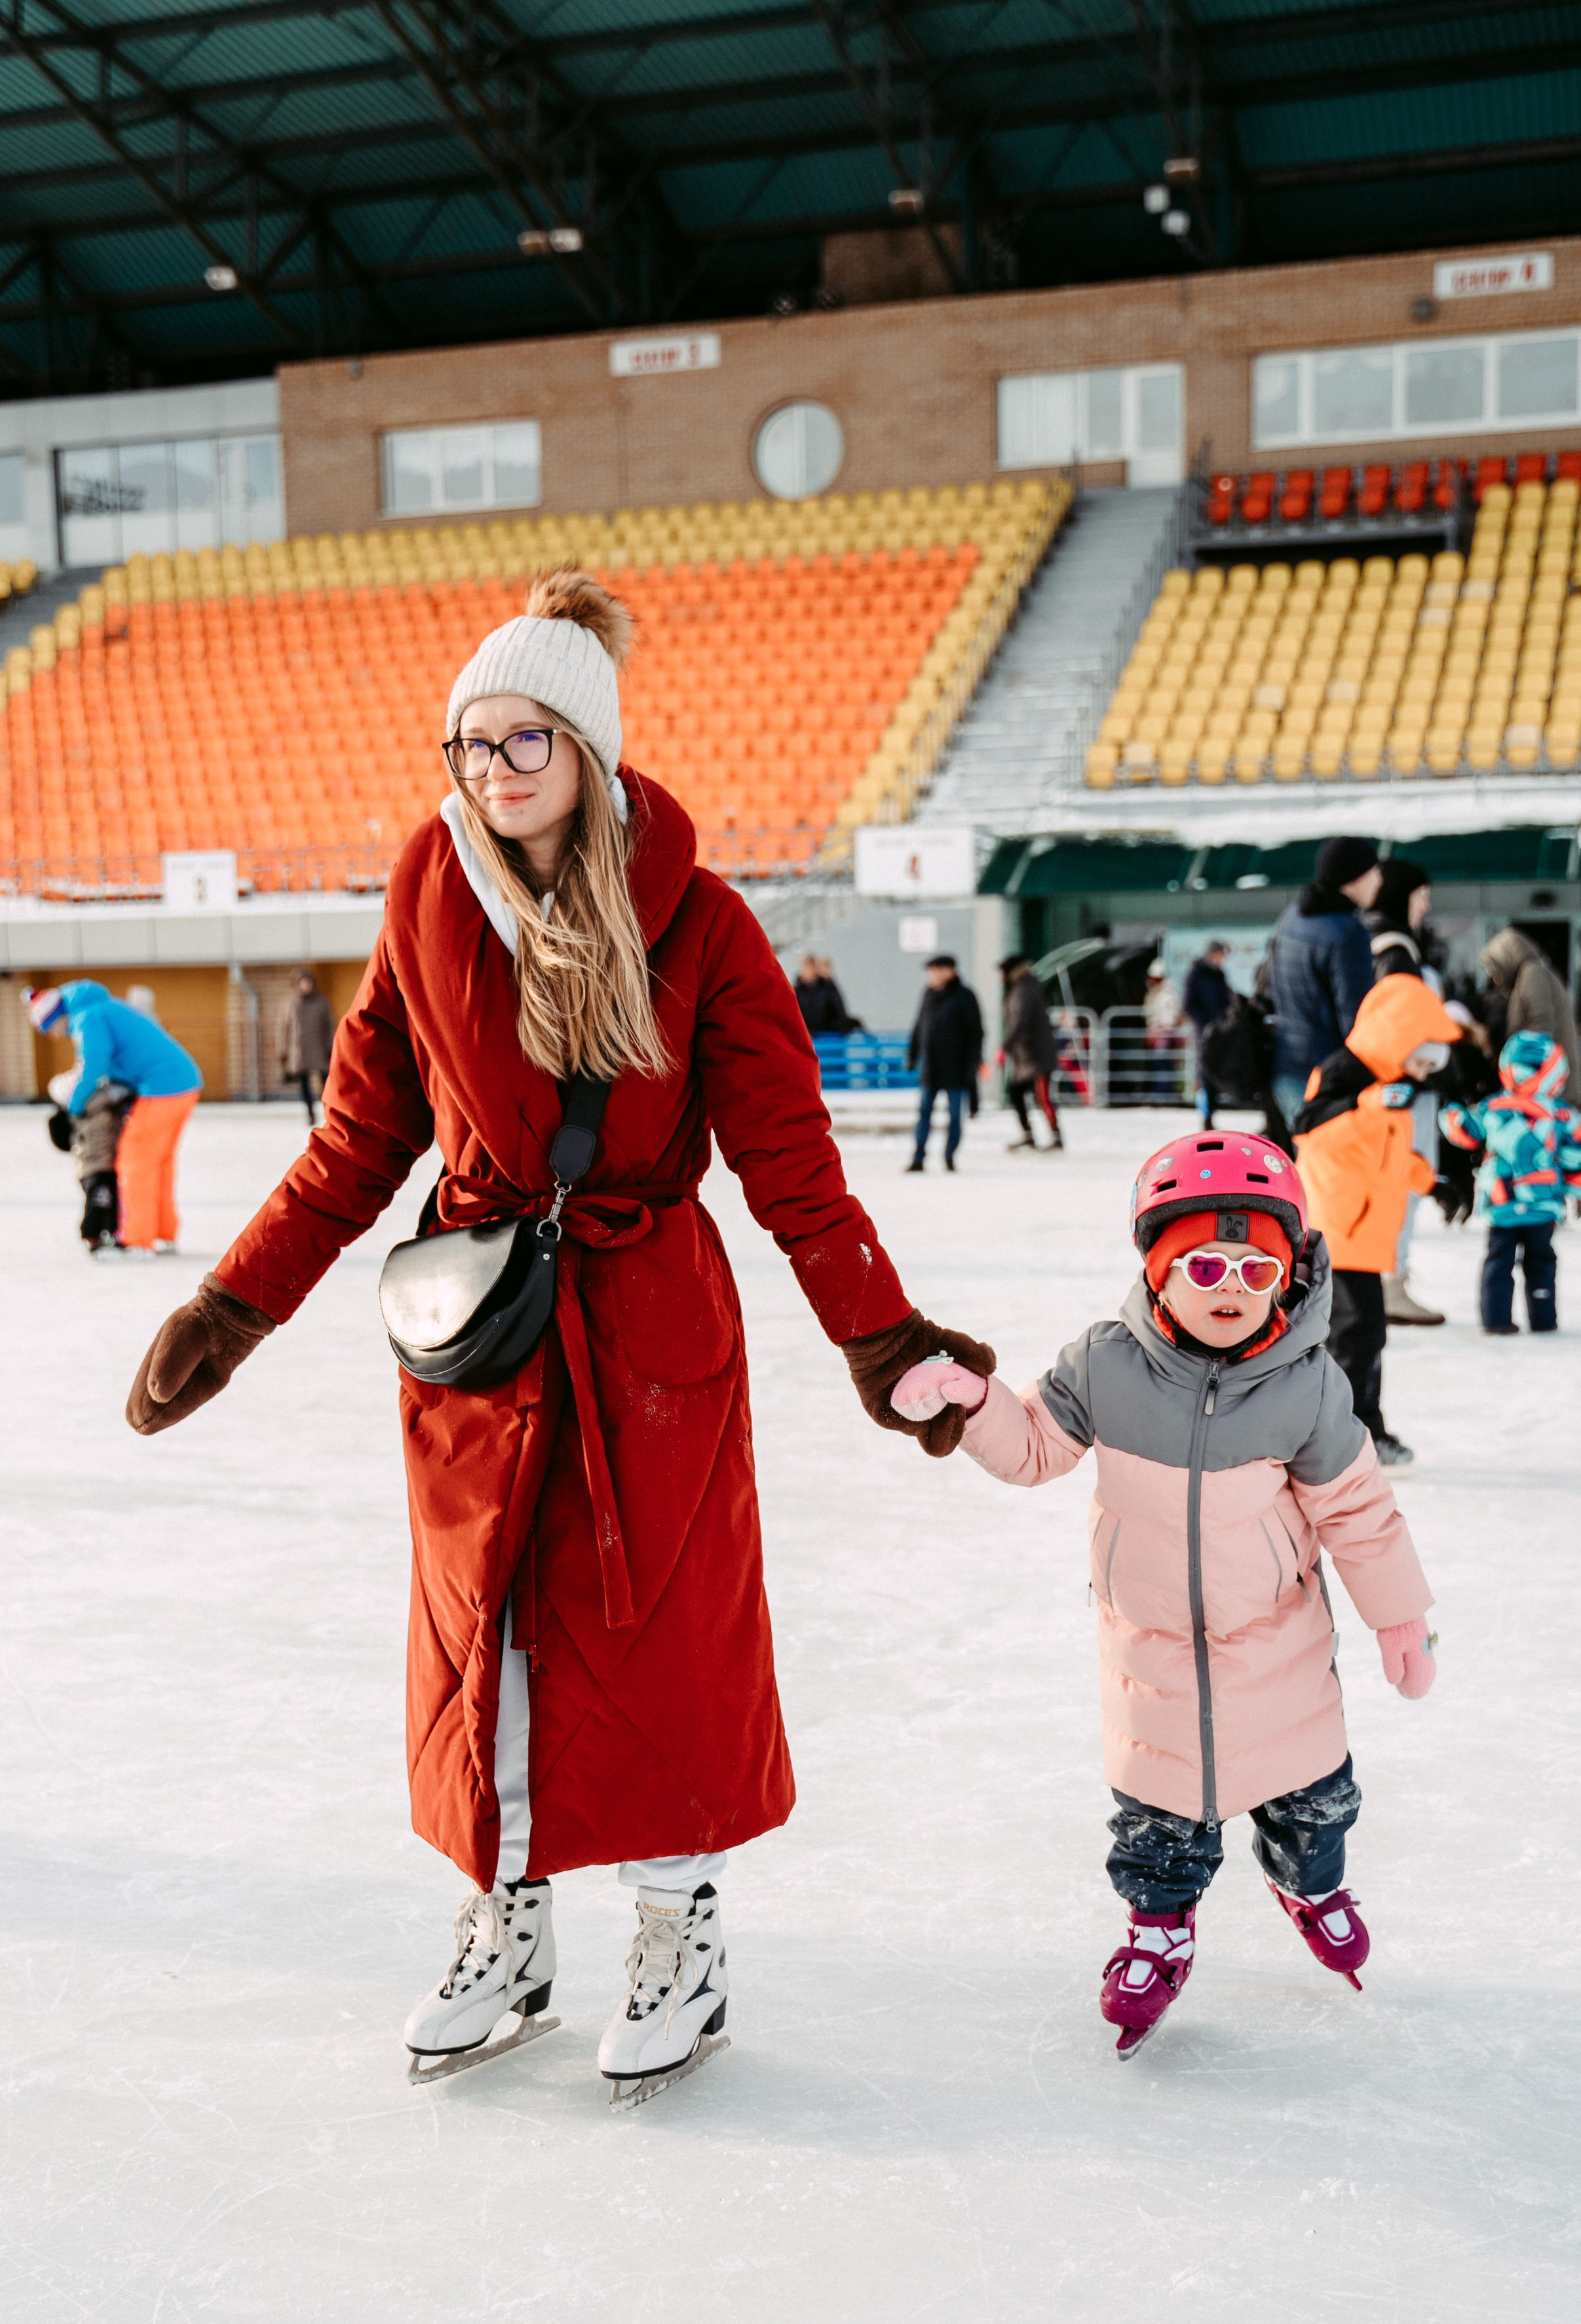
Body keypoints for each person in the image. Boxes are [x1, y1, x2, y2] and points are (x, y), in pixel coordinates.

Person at [121, 568, 990, 2098]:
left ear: (588, 748)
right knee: (485, 1633)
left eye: (529, 740)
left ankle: (676, 1930)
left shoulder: (706, 923)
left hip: (650, 1329)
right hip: (476, 1328)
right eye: (471, 742)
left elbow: (791, 1162)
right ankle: (501, 1917)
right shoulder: (424, 899)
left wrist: (880, 1338)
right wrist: (234, 1302)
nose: (496, 771)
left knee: (655, 1638)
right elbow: (354, 1137)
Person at [887, 1131, 1437, 2060]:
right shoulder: (1106, 1364)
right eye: (1207, 1264)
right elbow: (1033, 1450)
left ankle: (1310, 1885)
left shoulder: (1306, 1384)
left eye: (1257, 1267)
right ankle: (1159, 1927)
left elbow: (1358, 1509)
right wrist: (976, 1405)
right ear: (1158, 1269)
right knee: (1157, 1826)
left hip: (1279, 1647)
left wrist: (1400, 1615)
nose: (1232, 1285)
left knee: (1316, 1808)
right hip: (1149, 1650)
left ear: (1287, 1277)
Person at [1291, 976, 1461, 1467]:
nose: (1424, 1072)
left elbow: (1392, 1154)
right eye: (1422, 1059)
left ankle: (1343, 1427)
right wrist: (1368, 1105)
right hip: (1339, 1226)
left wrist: (1432, 1183)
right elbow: (1311, 1132)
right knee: (1358, 1330)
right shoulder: (1345, 1073)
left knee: (1352, 1332)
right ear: (1399, 1037)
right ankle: (1354, 1433)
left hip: (1365, 1231)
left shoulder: (1395, 1086)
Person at [26, 981, 202, 1256]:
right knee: (158, 1162)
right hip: (182, 1083)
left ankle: (137, 1241)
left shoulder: (88, 1017)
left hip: (162, 1087)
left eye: (48, 1029)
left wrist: (71, 1109)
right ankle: (162, 1233)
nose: (53, 1036)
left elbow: (94, 1066)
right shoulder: (103, 1009)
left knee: (136, 1160)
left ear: (56, 1017)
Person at [1441, 1032, 1581, 1336]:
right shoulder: (1562, 1115)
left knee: (1499, 1261)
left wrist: (1449, 1113)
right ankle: (1544, 1317)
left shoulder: (1493, 1107)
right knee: (1542, 1262)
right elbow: (1573, 1159)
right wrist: (1579, 1193)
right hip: (1543, 1203)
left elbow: (1466, 1133)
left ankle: (1496, 1319)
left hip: (1502, 1202)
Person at [1362, 859, 1447, 1327]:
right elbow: (1409, 1029)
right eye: (1421, 895)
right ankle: (1391, 1283)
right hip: (1402, 1091)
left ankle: (1384, 1279)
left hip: (1378, 1090)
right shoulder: (1397, 951)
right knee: (1404, 1184)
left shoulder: (1365, 939)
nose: (1426, 906)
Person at [1268, 836, 1381, 1127]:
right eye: (1374, 871)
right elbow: (1356, 1020)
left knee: (1307, 1164)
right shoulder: (1347, 933)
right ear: (1353, 878)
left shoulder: (1292, 916)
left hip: (1284, 1065)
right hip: (1323, 1074)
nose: (1379, 880)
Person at [1478, 926, 1581, 1100]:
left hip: (1546, 1085)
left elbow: (1541, 1024)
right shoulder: (1530, 974)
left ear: (1507, 959)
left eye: (1495, 969)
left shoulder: (1533, 974)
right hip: (1547, 1083)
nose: (1495, 978)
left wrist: (1527, 1073)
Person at [907, 954, 983, 1172]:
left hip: (956, 1069)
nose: (930, 976)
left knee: (955, 1117)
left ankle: (950, 1156)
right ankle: (918, 1157)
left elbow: (975, 1033)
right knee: (924, 1115)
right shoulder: (929, 995)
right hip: (930, 1067)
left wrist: (972, 1063)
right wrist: (912, 1055)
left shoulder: (965, 996)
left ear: (948, 971)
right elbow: (919, 1026)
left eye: (934, 971)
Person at [46, 1068, 134, 1253]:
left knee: (110, 1201)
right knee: (100, 1201)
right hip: (96, 1165)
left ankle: (109, 1236)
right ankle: (93, 1236)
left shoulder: (79, 1109)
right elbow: (117, 1093)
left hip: (97, 1165)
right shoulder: (93, 1102)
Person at [998, 953, 1061, 1152]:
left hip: (1036, 1056)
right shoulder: (1021, 988)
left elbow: (1020, 1022)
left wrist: (1005, 1047)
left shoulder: (1023, 990)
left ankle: (1056, 1137)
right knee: (1016, 1093)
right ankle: (1028, 1135)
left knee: (1042, 1097)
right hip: (1026, 1056)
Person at [1182, 941, 1232, 1125]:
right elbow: (1188, 1004)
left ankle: (1213, 1111)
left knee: (1218, 1071)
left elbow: (1226, 999)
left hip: (1221, 1031)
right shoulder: (1196, 974)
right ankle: (1207, 1115)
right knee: (1205, 1073)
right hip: (1203, 1033)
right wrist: (1206, 1021)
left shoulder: (1219, 974)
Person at [278, 970, 337, 1125]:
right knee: (304, 1085)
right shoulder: (291, 1004)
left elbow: (330, 1026)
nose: (305, 986)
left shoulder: (322, 1003)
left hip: (320, 1049)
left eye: (307, 983)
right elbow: (285, 1028)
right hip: (299, 1051)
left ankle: (329, 1112)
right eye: (301, 983)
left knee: (327, 1083)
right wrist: (283, 1051)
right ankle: (310, 1112)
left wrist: (331, 1046)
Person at [1141, 959, 1184, 1105]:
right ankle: (1161, 1093)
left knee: (1163, 1065)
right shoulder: (1157, 993)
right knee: (1160, 1065)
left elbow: (1170, 1017)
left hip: (1164, 1036)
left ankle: (1164, 1094)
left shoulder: (1167, 994)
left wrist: (1163, 1031)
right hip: (1158, 1035)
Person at [791, 953, 857, 1039]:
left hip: (828, 1034)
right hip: (809, 1036)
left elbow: (838, 1008)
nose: (809, 972)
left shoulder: (826, 987)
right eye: (807, 968)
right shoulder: (797, 990)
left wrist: (842, 1027)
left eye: (811, 968)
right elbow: (795, 1014)